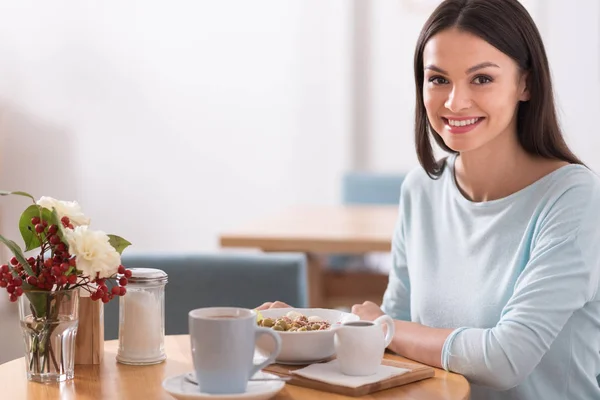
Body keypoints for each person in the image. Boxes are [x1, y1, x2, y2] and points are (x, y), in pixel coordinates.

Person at [258, 0, 600, 399]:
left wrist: (383, 327)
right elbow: (394, 344)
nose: (455, 102)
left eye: (482, 79)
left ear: (526, 83)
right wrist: (311, 332)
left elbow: (505, 359)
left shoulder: (574, 200)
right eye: (438, 79)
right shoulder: (421, 189)